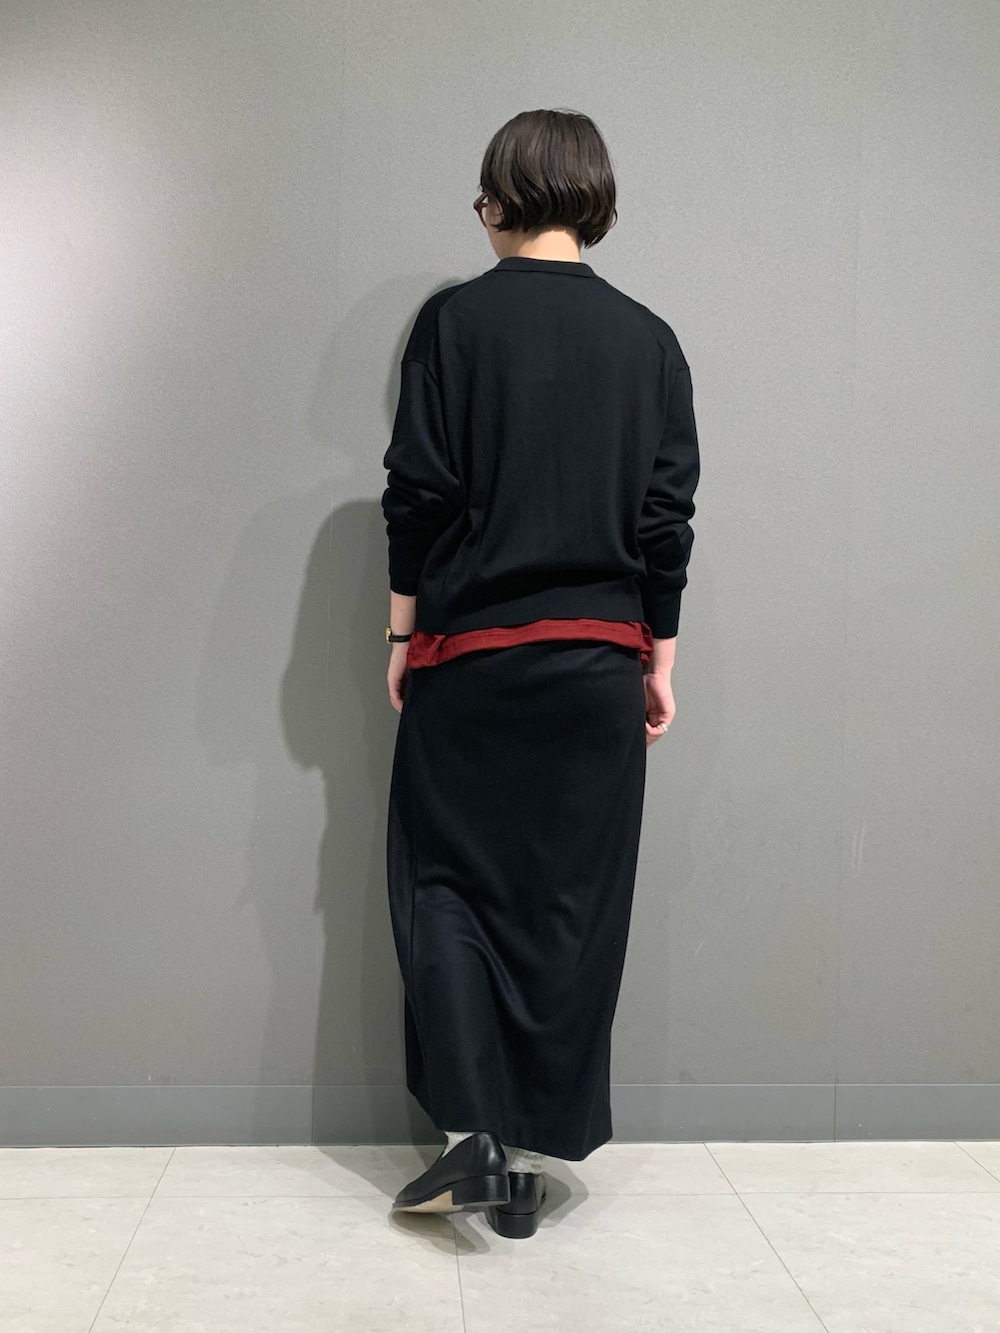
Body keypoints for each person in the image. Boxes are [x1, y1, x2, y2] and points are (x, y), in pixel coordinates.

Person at [381, 108, 700, 1239]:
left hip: (470, 660)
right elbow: (665, 519)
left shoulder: (454, 323)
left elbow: (418, 493)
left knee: (445, 886)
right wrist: (657, 658)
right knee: (567, 908)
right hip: (600, 666)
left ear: (500, 200)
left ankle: (475, 1139)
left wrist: (399, 636)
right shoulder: (649, 340)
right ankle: (520, 1157)